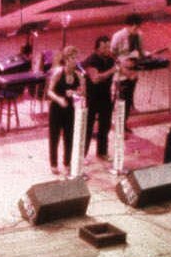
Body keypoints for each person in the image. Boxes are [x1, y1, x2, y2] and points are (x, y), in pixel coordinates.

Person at [45, 47, 83, 175]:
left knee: (69, 137)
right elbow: (49, 91)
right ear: (66, 60)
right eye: (72, 58)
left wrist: (75, 93)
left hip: (70, 109)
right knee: (54, 136)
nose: (75, 61)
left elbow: (82, 92)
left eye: (76, 58)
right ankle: (53, 164)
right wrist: (59, 99)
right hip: (56, 109)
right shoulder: (58, 73)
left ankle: (67, 162)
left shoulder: (78, 75)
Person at [82, 34, 117, 159]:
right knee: (88, 127)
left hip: (105, 96)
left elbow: (120, 69)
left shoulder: (110, 59)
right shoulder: (92, 60)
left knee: (105, 125)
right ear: (97, 49)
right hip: (92, 98)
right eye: (104, 48)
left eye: (108, 47)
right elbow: (95, 79)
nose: (107, 50)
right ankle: (82, 155)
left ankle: (102, 152)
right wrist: (112, 71)